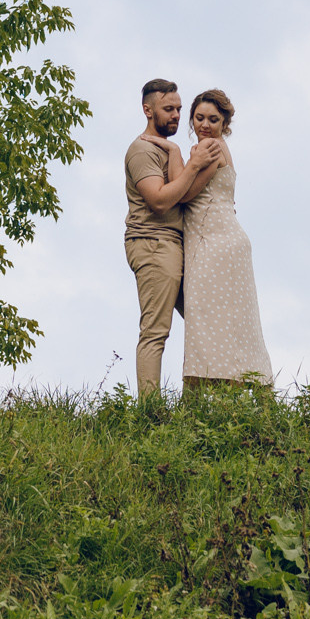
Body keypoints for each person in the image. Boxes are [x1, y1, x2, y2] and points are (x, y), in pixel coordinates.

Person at [124, 79, 223, 397]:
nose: (177, 115)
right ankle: (149, 413)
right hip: (153, 243)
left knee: (206, 320)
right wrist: (194, 163)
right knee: (156, 331)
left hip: (177, 246)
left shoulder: (169, 150)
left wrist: (184, 156)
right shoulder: (141, 150)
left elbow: (186, 189)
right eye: (169, 109)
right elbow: (162, 200)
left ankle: (207, 403)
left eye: (180, 109)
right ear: (147, 110)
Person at [178, 88, 272, 393]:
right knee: (231, 322)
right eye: (199, 118)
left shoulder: (209, 150)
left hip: (214, 242)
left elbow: (185, 194)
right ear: (192, 119)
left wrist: (170, 160)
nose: (205, 124)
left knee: (204, 317)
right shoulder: (217, 148)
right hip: (225, 238)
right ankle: (237, 391)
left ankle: (199, 401)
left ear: (225, 123)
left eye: (213, 119)